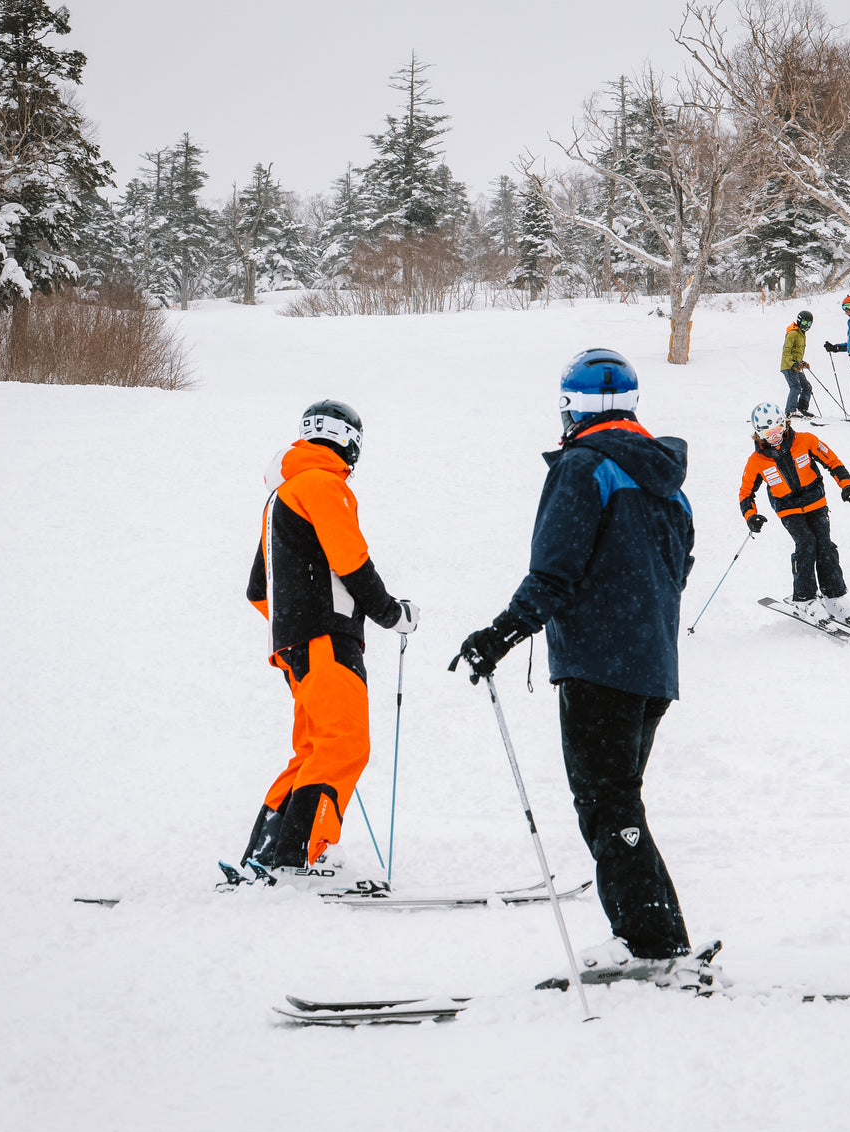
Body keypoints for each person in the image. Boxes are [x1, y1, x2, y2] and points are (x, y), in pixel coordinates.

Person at [452, 348, 712, 991]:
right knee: (617, 797)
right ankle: (653, 933)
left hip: (601, 662)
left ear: (574, 408)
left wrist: (501, 634)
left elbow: (556, 569)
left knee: (605, 799)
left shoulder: (583, 466)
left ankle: (651, 942)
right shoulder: (666, 480)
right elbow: (680, 567)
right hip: (652, 665)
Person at [238, 400, 419, 889]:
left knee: (312, 751)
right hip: (325, 642)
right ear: (350, 441)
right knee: (344, 745)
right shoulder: (324, 485)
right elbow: (351, 559)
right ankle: (295, 858)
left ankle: (268, 853)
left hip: (296, 647)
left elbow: (260, 590)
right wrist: (391, 614)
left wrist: (292, 628)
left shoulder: (282, 494)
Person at [740, 401, 850, 625]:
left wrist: (847, 486)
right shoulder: (756, 461)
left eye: (777, 430)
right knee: (806, 543)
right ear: (758, 434)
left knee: (825, 545)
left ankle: (834, 596)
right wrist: (751, 516)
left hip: (816, 502)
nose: (774, 436)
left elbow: (833, 462)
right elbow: (746, 493)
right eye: (767, 433)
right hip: (788, 509)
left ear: (785, 424)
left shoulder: (806, 441)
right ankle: (804, 599)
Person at [780, 309, 815, 418]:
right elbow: (786, 352)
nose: (807, 326)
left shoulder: (802, 334)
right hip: (788, 366)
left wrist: (802, 363)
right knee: (795, 387)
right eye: (805, 323)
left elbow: (796, 353)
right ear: (799, 321)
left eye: (809, 324)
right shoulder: (793, 334)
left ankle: (802, 408)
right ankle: (790, 411)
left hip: (795, 367)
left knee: (807, 387)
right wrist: (793, 364)